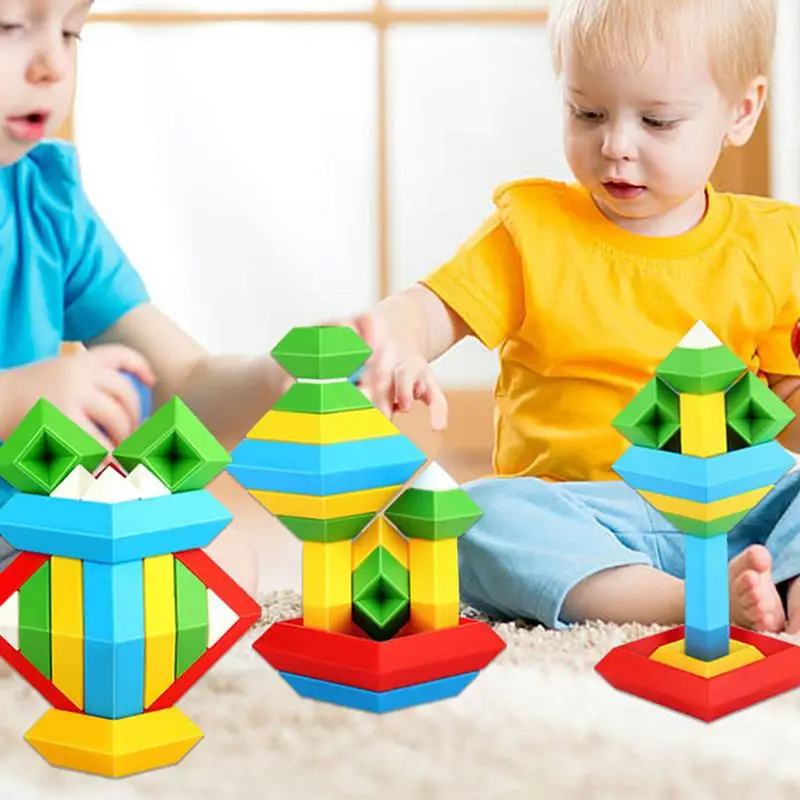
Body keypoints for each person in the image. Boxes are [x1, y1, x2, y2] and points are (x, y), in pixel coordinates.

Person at [349, 0, 800, 633]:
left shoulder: (777, 244)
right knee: (470, 514)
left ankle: (787, 589)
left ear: (742, 111)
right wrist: (396, 337)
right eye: (587, 112)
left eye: (658, 121)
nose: (615, 145)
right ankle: (689, 604)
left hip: (735, 509)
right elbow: (425, 311)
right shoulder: (533, 232)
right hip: (574, 511)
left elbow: (786, 400)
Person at [0, 0, 289, 597]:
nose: (53, 64)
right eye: (8, 27)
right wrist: (15, 397)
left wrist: (272, 380)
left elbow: (175, 381)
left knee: (219, 551)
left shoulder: (47, 203)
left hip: (27, 515)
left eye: (72, 31)